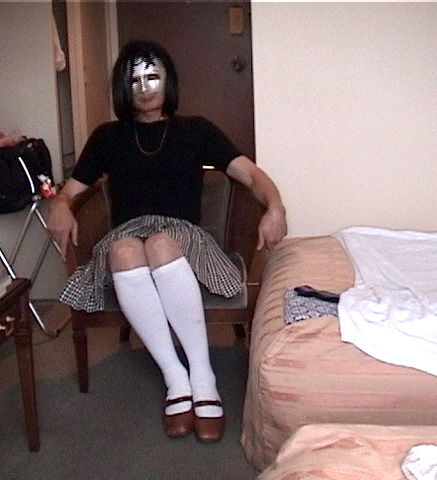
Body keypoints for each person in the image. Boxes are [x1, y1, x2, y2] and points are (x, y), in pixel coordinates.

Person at [48, 40, 287, 443]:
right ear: (123, 89)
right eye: (134, 80)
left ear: (168, 79)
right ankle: (176, 377)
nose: (144, 87)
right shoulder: (107, 137)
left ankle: (202, 375)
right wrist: (59, 204)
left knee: (159, 244)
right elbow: (71, 190)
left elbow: (251, 175)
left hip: (183, 235)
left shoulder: (196, 130)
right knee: (124, 249)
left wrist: (275, 207)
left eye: (152, 76)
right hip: (126, 234)